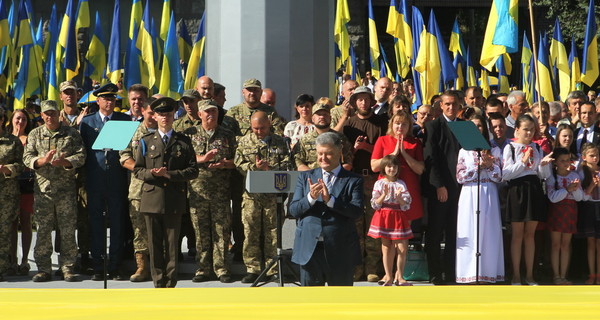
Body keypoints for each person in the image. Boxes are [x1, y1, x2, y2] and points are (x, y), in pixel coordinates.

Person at [133, 97, 198, 288]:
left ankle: (171, 281)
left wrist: (171, 175)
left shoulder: (183, 142)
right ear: (155, 116)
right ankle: (158, 280)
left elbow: (193, 170)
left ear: (174, 116)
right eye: (161, 115)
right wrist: (152, 173)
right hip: (152, 198)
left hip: (174, 198)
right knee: (154, 244)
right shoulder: (146, 141)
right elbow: (137, 170)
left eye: (169, 115)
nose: (165, 118)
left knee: (172, 245)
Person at [289, 131, 364, 286]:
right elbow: (294, 210)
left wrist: (330, 200)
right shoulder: (305, 177)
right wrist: (310, 198)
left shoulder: (353, 180)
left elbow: (356, 211)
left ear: (339, 152)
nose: (323, 158)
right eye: (320, 154)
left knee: (340, 303)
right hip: (310, 250)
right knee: (311, 304)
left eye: (328, 154)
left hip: (340, 250)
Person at [23, 100, 86, 282]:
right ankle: (43, 268)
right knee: (43, 230)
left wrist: (65, 162)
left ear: (59, 113)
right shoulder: (35, 134)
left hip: (65, 190)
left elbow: (81, 155)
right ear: (42, 116)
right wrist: (42, 161)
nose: (50, 117)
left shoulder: (71, 133)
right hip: (43, 190)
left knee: (67, 230)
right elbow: (27, 157)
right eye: (46, 114)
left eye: (52, 113)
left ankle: (67, 267)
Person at [79, 83, 131, 281]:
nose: (109, 102)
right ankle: (98, 264)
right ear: (98, 100)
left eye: (112, 99)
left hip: (117, 179)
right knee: (96, 222)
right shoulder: (87, 122)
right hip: (95, 179)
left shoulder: (123, 120)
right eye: (105, 99)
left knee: (117, 222)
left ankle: (116, 265)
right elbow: (82, 151)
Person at [234, 111, 290, 283]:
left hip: (273, 196)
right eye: (256, 128)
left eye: (263, 128)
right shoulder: (244, 141)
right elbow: (238, 164)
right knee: (251, 231)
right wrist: (254, 166)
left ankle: (273, 268)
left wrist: (270, 168)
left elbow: (288, 163)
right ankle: (253, 268)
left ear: (269, 124)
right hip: (252, 196)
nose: (259, 132)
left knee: (273, 233)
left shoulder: (281, 142)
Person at [184, 100, 236, 283]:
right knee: (201, 231)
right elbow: (184, 160)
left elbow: (237, 160)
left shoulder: (227, 135)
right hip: (198, 192)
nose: (210, 114)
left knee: (221, 231)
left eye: (213, 111)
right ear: (199, 114)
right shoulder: (189, 134)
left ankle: (222, 269)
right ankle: (203, 268)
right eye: (206, 112)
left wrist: (224, 164)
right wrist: (202, 158)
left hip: (220, 193)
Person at [343, 86, 388, 283]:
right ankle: (356, 267)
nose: (362, 103)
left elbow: (385, 154)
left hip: (373, 179)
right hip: (352, 179)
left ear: (372, 101)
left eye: (365, 99)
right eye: (359, 100)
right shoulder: (349, 124)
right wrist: (354, 149)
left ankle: (372, 267)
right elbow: (341, 154)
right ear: (354, 103)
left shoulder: (380, 123)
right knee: (354, 225)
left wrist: (366, 147)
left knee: (372, 225)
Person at [502, 114, 553, 285]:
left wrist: (544, 166)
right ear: (517, 130)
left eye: (532, 130)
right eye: (525, 129)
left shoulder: (537, 147)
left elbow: (542, 175)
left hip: (533, 189)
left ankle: (530, 274)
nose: (529, 133)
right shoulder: (510, 147)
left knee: (530, 235)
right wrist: (523, 162)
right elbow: (506, 174)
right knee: (517, 235)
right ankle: (516, 274)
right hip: (517, 189)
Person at [455, 114, 504, 284]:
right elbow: (460, 177)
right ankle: (469, 274)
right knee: (470, 229)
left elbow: (499, 177)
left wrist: (489, 166)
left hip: (488, 192)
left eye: (480, 126)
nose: (477, 129)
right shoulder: (464, 150)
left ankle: (487, 273)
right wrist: (477, 167)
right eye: (473, 126)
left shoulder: (494, 149)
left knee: (488, 232)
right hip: (469, 193)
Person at [423, 91, 463, 284]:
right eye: (447, 104)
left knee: (454, 232)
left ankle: (451, 272)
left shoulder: (466, 126)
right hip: (441, 188)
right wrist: (439, 185)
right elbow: (432, 159)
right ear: (441, 105)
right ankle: (435, 273)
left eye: (454, 104)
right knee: (436, 232)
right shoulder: (432, 126)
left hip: (461, 189)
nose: (450, 107)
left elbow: (475, 154)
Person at [118, 86, 156, 282]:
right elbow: (124, 156)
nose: (153, 116)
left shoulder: (164, 131)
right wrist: (141, 170)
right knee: (139, 230)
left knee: (158, 228)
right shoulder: (132, 130)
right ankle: (141, 267)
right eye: (150, 112)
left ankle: (159, 266)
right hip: (138, 189)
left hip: (159, 188)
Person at [371, 111, 424, 234]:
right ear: (391, 125)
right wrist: (393, 154)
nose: (400, 127)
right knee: (387, 233)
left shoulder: (415, 142)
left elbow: (420, 169)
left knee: (403, 234)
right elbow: (374, 167)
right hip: (386, 192)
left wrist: (404, 153)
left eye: (404, 124)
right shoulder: (382, 140)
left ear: (409, 126)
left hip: (406, 191)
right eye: (397, 123)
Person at [368, 155, 412, 286]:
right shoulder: (379, 183)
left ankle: (400, 276)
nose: (391, 169)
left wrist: (399, 198)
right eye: (389, 166)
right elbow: (375, 204)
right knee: (387, 246)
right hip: (384, 215)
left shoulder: (401, 183)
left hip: (398, 215)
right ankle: (388, 275)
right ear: (384, 168)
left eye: (394, 166)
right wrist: (383, 195)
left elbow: (406, 205)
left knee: (402, 248)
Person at [546, 147, 583, 285]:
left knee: (566, 245)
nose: (566, 163)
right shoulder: (552, 177)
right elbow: (552, 198)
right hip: (556, 210)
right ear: (555, 162)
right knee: (556, 244)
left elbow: (579, 198)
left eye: (568, 160)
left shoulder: (574, 176)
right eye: (562, 161)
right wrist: (567, 189)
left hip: (570, 210)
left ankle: (563, 275)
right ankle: (556, 275)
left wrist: (576, 189)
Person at [6, 109, 33, 276]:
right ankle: (12, 260)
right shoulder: (6, 139)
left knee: (26, 222)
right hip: (9, 185)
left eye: (23, 119)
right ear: (11, 120)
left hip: (26, 184)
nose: (20, 122)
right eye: (17, 118)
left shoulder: (30, 139)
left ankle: (24, 261)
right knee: (12, 224)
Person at [0, 107, 23, 282]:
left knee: (4, 231)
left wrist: (8, 169)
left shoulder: (12, 141)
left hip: (6, 194)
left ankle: (1, 267)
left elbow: (21, 165)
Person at [294, 103, 353, 171]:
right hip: (312, 179)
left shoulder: (340, 139)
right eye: (319, 114)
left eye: (325, 114)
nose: (322, 117)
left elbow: (348, 162)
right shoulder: (304, 140)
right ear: (312, 118)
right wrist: (312, 174)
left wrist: (334, 175)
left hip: (335, 179)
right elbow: (298, 162)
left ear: (330, 118)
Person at [578, 143, 600, 285]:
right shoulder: (581, 172)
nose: (595, 158)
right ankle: (592, 274)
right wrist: (592, 185)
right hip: (588, 207)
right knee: (590, 242)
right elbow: (583, 194)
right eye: (592, 155)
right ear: (584, 157)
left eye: (597, 155)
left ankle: (598, 275)